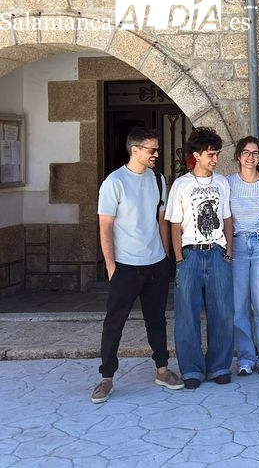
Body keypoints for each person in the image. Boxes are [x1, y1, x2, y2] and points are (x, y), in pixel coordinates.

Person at [91, 127, 184, 404]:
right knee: (114, 323)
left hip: (155, 263)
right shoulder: (114, 182)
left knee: (156, 320)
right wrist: (111, 266)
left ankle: (162, 370)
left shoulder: (157, 179)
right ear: (135, 150)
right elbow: (104, 226)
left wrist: (166, 257)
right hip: (125, 265)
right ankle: (106, 377)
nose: (156, 154)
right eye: (151, 150)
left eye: (156, 149)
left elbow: (161, 220)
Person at [165, 127, 234, 389]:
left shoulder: (222, 183)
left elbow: (227, 217)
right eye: (211, 154)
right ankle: (192, 369)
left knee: (223, 312)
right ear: (197, 155)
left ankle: (219, 366)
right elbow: (174, 222)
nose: (215, 159)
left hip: (217, 253)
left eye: (216, 154)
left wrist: (229, 250)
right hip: (191, 254)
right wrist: (179, 257)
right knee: (187, 315)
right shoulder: (181, 185)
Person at [228, 136, 259, 377]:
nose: (250, 157)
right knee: (238, 307)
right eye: (246, 153)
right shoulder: (227, 183)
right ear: (238, 156)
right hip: (236, 245)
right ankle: (246, 358)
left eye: (255, 153)